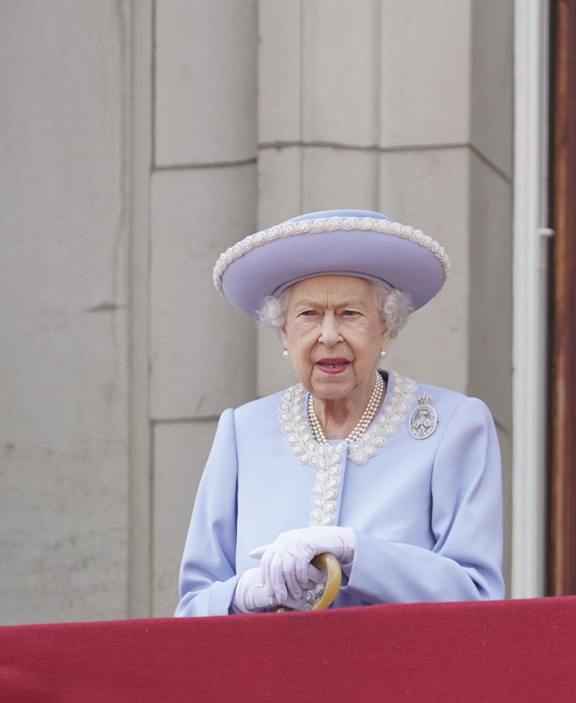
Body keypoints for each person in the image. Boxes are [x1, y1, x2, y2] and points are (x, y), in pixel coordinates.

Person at [176, 209, 504, 615]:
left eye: (350, 314)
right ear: (283, 331)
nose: (329, 336)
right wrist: (244, 593)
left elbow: (478, 596)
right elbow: (191, 609)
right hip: (269, 676)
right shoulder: (242, 432)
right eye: (308, 314)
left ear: (385, 327)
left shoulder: (454, 424)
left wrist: (355, 552)